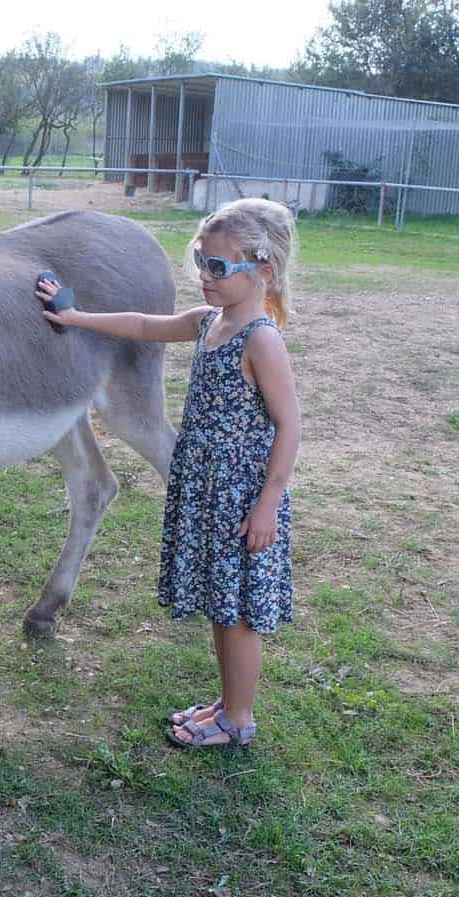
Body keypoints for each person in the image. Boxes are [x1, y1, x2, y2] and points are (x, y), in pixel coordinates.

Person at [34, 197, 301, 748]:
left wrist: (268, 502)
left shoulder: (261, 341)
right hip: (207, 488)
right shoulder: (210, 323)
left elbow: (290, 425)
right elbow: (141, 325)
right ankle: (226, 705)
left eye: (219, 267)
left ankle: (239, 719)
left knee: (239, 613)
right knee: (220, 604)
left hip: (242, 495)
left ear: (264, 270)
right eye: (199, 262)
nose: (205, 277)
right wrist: (75, 315)